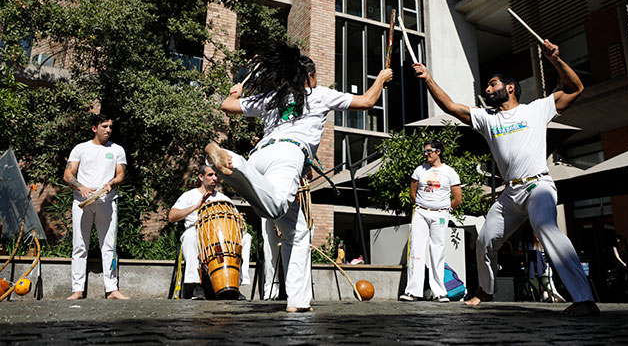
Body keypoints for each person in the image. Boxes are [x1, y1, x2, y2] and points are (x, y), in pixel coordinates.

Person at [413, 39, 599, 316]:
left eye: (492, 85)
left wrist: (556, 60)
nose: (487, 90)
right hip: (509, 194)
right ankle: (486, 290)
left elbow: (575, 88)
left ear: (510, 88)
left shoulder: (536, 109)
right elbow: (451, 106)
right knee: (485, 239)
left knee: (546, 226)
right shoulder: (487, 119)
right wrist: (428, 78)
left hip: (538, 186)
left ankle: (584, 299)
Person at [206, 42, 393, 312]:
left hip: (263, 156)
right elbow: (367, 101)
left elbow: (227, 105)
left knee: (297, 230)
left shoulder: (273, 97)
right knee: (277, 206)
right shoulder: (318, 94)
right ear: (309, 76)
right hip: (288, 155)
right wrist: (381, 79)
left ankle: (298, 302)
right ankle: (234, 162)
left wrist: (239, 90)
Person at [63, 113, 129, 300]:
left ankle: (111, 289)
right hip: (82, 203)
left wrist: (112, 183)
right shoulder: (80, 149)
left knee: (109, 247)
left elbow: (121, 174)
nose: (108, 130)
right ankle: (77, 290)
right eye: (104, 127)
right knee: (79, 246)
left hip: (107, 203)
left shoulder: (117, 149)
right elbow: (68, 174)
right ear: (94, 128)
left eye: (110, 127)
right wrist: (80, 186)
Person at [399, 140, 462, 302]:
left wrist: (444, 209)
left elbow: (458, 198)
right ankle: (412, 291)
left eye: (429, 151)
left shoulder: (449, 172)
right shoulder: (419, 170)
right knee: (416, 251)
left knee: (437, 251)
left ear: (438, 152)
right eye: (425, 151)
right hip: (421, 212)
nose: (426, 154)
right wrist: (423, 205)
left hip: (440, 214)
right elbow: (413, 193)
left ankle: (439, 292)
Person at [168, 164, 233, 300]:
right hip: (196, 231)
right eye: (210, 175)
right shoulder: (189, 195)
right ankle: (195, 285)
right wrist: (196, 206)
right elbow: (172, 216)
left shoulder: (223, 199)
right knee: (190, 236)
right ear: (201, 177)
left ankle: (234, 285)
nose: (214, 178)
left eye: (216, 175)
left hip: (218, 237)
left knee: (246, 238)